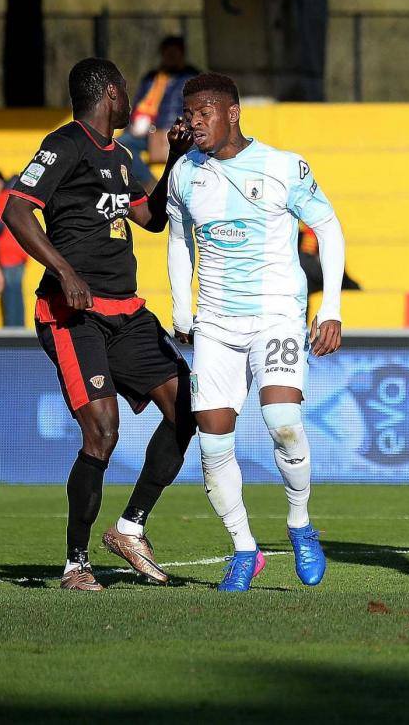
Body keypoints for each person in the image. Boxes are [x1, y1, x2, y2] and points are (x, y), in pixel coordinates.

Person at [2, 57, 196, 590]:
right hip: (73, 314)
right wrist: (63, 270)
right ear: (111, 93)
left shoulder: (121, 155)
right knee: (102, 432)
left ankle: (130, 526)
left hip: (126, 310)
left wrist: (176, 155)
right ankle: (75, 564)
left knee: (188, 406)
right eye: (126, 89)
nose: (131, 97)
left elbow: (151, 218)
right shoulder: (64, 144)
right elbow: (16, 210)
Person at [167, 73, 345, 592]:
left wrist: (330, 307)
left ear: (233, 112)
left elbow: (329, 227)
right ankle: (244, 548)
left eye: (205, 112)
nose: (195, 121)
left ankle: (300, 525)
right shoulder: (184, 174)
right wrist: (182, 309)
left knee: (283, 419)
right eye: (190, 112)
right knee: (212, 443)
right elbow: (180, 240)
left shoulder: (282, 166)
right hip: (216, 325)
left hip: (276, 315)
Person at [122, 36, 200, 189]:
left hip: (183, 133)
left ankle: (188, 187)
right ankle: (150, 185)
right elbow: (138, 106)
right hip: (151, 133)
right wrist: (133, 127)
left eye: (174, 53)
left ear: (182, 54)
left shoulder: (193, 77)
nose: (170, 57)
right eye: (167, 53)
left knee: (202, 149)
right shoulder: (152, 79)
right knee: (122, 145)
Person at [0, 170, 30, 327]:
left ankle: (13, 332)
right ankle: (18, 330)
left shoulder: (3, 199)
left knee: (10, 295)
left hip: (8, 255)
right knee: (15, 293)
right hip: (18, 253)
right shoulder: (14, 198)